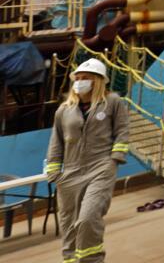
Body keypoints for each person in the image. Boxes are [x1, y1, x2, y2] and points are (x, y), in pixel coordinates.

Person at [45, 58, 129, 263]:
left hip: (100, 167)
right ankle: (71, 260)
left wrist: (114, 160)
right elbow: (56, 141)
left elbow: (122, 130)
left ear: (98, 81)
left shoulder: (112, 102)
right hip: (70, 172)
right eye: (77, 78)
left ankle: (92, 260)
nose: (80, 82)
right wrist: (55, 172)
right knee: (69, 222)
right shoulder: (64, 110)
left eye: (85, 78)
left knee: (88, 218)